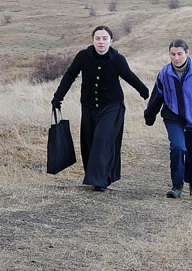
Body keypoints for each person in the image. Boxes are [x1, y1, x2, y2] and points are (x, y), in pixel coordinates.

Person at [51, 25, 149, 191]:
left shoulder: (117, 59)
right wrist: (58, 97)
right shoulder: (83, 56)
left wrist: (145, 93)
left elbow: (129, 76)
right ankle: (99, 176)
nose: (101, 42)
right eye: (98, 38)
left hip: (112, 106)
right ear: (93, 40)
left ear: (111, 41)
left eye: (105, 38)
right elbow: (69, 76)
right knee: (89, 141)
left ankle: (100, 180)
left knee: (102, 139)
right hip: (89, 105)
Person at [143, 38, 192, 199]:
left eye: (179, 54)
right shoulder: (165, 73)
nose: (176, 58)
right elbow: (157, 96)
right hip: (173, 117)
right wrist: (150, 115)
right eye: (173, 54)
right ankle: (177, 185)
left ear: (187, 53)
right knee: (178, 147)